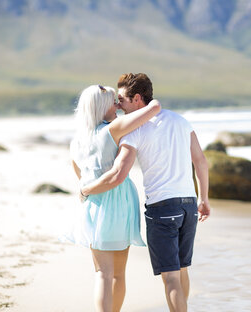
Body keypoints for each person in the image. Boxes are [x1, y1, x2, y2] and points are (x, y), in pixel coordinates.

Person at [81, 73, 211, 312]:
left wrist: (87, 188)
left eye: (121, 99)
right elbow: (201, 162)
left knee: (170, 278)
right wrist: (204, 198)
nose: (118, 105)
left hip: (163, 208)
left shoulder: (135, 130)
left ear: (137, 98)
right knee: (182, 270)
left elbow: (120, 171)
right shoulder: (181, 121)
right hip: (189, 205)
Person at [62, 84, 161, 312]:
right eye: (113, 101)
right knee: (117, 274)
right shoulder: (113, 129)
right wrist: (152, 102)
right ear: (101, 106)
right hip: (119, 204)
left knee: (102, 274)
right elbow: (152, 110)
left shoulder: (76, 141)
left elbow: (81, 178)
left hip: (93, 204)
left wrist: (87, 191)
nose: (117, 105)